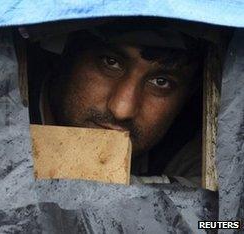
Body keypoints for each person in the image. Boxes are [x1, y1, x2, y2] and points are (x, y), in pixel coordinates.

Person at [28, 20, 204, 186]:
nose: (122, 109)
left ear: (190, 92)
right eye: (110, 62)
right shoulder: (6, 115)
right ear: (67, 51)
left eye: (161, 82)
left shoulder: (199, 148)